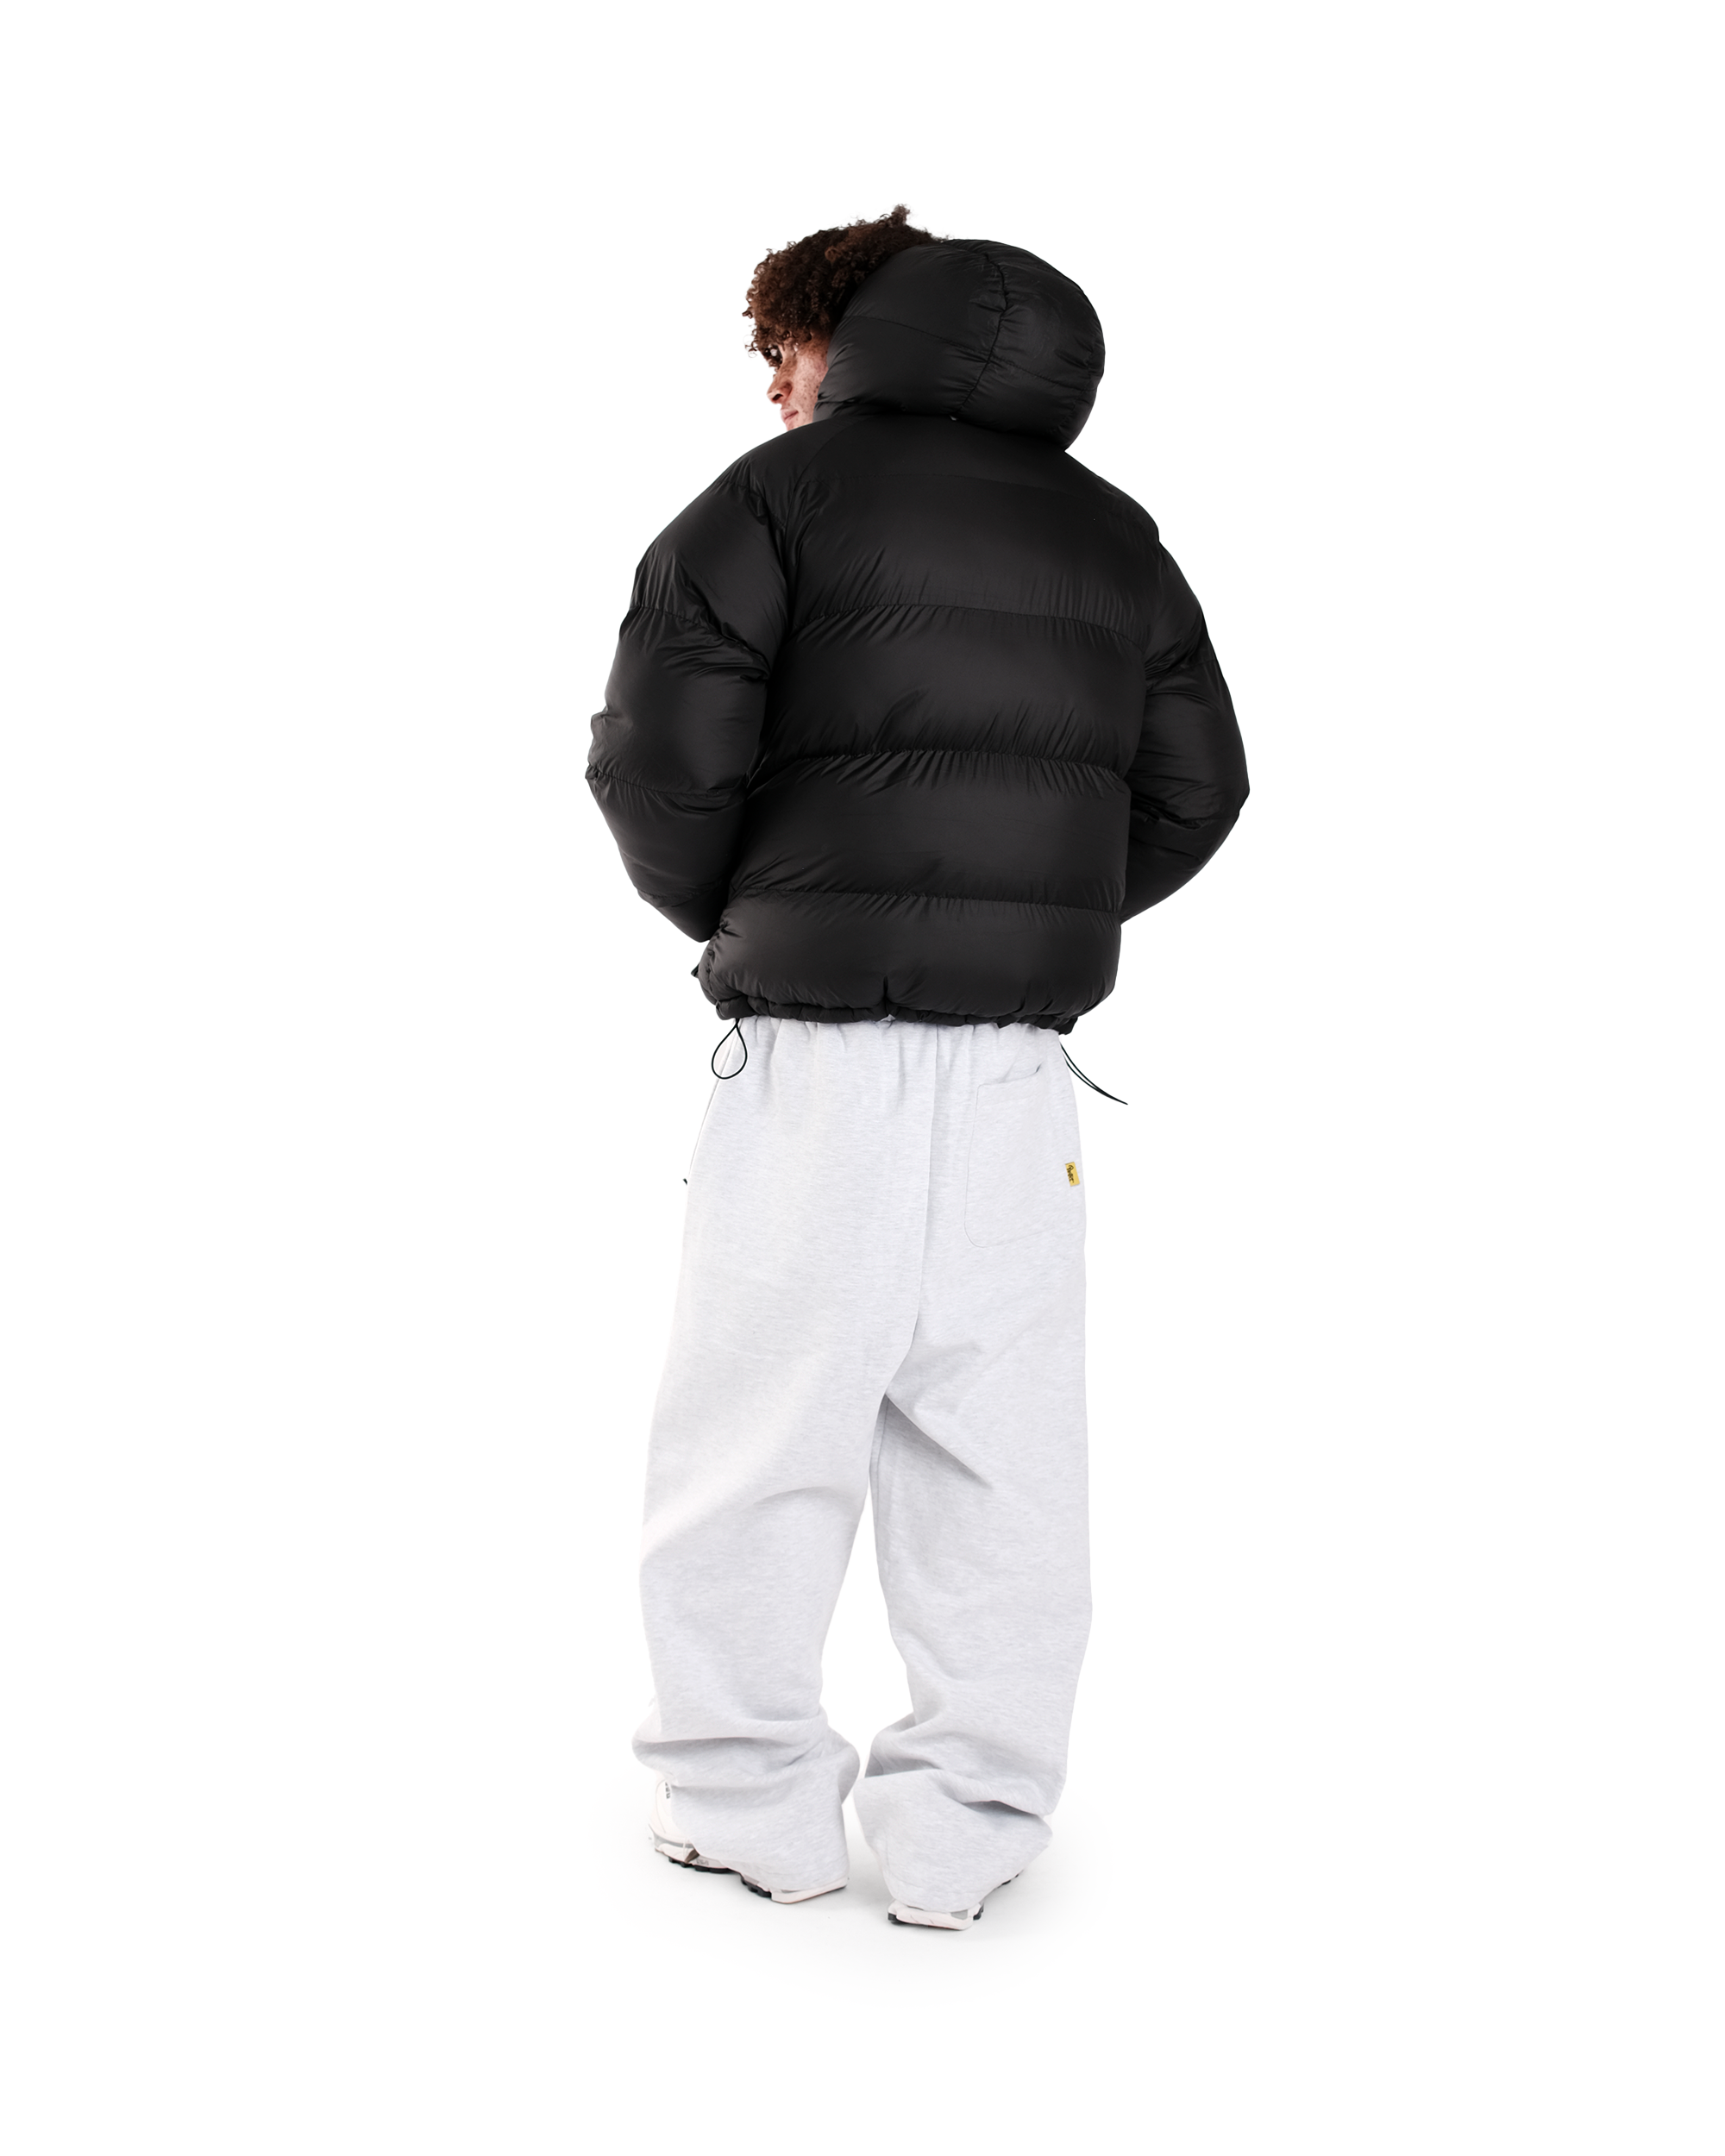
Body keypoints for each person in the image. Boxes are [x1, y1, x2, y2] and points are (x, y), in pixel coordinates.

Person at [588, 207, 1247, 1930]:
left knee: (756, 1436)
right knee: (1002, 1452)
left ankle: (746, 1805)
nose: (775, 387)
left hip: (814, 1058)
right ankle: (969, 1829)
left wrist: (763, 906)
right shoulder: (1114, 535)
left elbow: (657, 763)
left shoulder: (769, 502)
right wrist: (1015, 912)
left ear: (852, 338)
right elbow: (1199, 789)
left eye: (784, 354)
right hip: (1023, 1076)